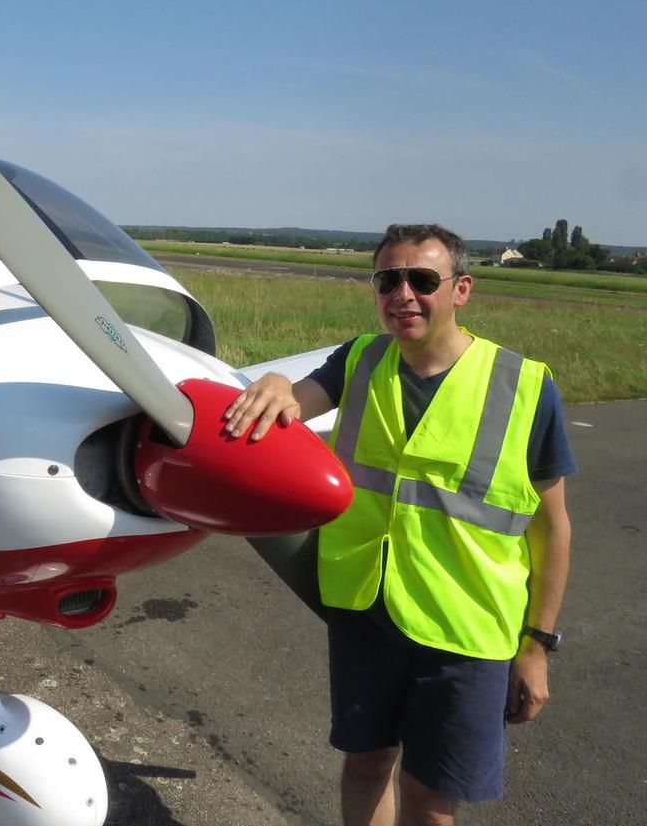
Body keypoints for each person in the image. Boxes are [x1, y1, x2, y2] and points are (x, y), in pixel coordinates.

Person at [223, 224, 575, 826]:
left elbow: (553, 528)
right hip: (367, 607)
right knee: (364, 768)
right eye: (388, 280)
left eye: (423, 280)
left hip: (467, 628)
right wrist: (278, 382)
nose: (403, 294)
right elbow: (293, 404)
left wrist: (536, 646)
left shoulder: (525, 386)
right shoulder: (358, 360)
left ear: (461, 289)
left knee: (431, 801)